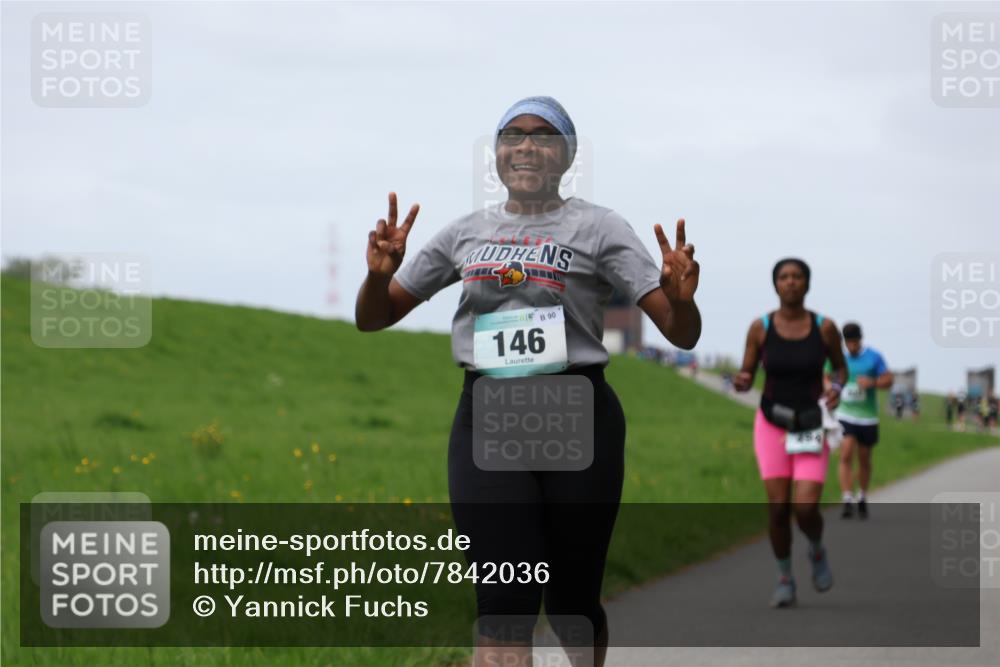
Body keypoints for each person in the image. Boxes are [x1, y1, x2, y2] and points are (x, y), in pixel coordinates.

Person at [355, 96, 702, 666]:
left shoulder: (600, 227)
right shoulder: (467, 232)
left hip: (577, 414)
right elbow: (375, 316)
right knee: (502, 600)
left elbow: (680, 333)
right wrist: (378, 277)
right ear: (495, 152)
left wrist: (683, 301)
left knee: (572, 599)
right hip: (488, 414)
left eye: (544, 136)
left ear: (566, 156)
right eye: (512, 134)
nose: (526, 145)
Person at [733, 258, 846, 608]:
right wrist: (743, 380)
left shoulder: (825, 327)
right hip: (771, 424)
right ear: (776, 284)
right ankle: (785, 577)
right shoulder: (760, 328)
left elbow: (840, 367)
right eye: (784, 277)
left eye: (797, 277)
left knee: (806, 508)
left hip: (811, 423)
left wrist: (838, 386)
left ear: (807, 284)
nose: (791, 282)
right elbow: (747, 372)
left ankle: (815, 548)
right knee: (779, 508)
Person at [824, 323, 893, 520]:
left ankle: (862, 496)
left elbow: (888, 380)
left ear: (860, 339)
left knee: (864, 458)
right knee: (845, 454)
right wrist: (830, 387)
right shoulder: (838, 357)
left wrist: (872, 383)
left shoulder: (874, 357)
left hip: (868, 417)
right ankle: (847, 498)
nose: (852, 346)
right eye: (849, 343)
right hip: (845, 414)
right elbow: (826, 375)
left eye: (855, 342)